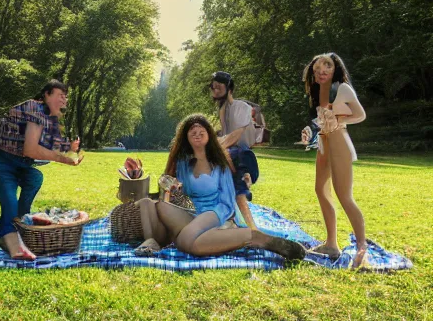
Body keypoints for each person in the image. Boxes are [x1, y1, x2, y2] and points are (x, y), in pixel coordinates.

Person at [134, 114, 306, 260]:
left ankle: (257, 238)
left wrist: (212, 217)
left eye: (202, 132)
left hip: (217, 212)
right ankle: (156, 241)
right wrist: (170, 187)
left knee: (185, 240)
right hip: (194, 214)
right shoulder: (183, 164)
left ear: (209, 135)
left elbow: (227, 203)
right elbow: (178, 194)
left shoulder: (219, 164)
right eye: (192, 132)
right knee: (160, 207)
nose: (197, 134)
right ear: (185, 138)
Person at [0, 79, 82, 259]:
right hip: (3, 166)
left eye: (66, 97)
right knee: (10, 205)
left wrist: (69, 148)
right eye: (60, 95)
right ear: (46, 95)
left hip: (22, 167)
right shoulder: (36, 109)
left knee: (35, 178)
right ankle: (15, 245)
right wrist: (64, 159)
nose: (64, 100)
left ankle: (21, 228)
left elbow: (49, 144)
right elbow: (30, 149)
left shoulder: (46, 116)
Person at [301, 53, 368, 268]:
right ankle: (331, 244)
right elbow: (318, 121)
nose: (322, 71)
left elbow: (360, 115)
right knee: (321, 190)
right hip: (323, 141)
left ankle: (362, 249)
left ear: (335, 68)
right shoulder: (317, 90)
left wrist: (339, 118)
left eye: (327, 66)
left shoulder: (342, 88)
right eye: (317, 68)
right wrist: (308, 130)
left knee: (344, 196)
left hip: (339, 139)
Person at [209, 71, 259, 230]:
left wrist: (216, 147)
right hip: (230, 154)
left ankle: (253, 229)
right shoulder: (223, 109)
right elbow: (226, 135)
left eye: (218, 87)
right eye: (213, 87)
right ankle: (231, 220)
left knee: (239, 194)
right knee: (222, 188)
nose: (215, 91)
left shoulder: (241, 107)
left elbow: (236, 136)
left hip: (243, 156)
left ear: (228, 88)